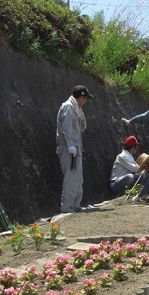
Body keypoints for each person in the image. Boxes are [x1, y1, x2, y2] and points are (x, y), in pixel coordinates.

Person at [56, 85, 94, 213]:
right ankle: (67, 207)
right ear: (81, 97)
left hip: (76, 147)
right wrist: (70, 144)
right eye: (85, 98)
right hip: (68, 147)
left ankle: (76, 204)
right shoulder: (68, 106)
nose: (86, 101)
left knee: (78, 179)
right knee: (71, 179)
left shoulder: (75, 108)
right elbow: (66, 127)